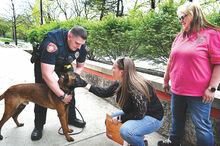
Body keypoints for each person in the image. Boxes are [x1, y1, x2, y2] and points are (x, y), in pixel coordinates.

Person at [158, 2, 220, 146]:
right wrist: (166, 79)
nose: (180, 21)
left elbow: (218, 63)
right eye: (179, 18)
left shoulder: (211, 34)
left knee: (202, 127)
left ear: (193, 15)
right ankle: (174, 142)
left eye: (183, 17)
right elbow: (171, 60)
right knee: (177, 119)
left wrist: (212, 88)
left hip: (199, 93)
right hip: (177, 89)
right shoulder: (180, 36)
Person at [75, 57, 164, 146]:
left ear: (122, 72)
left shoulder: (135, 87)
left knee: (125, 131)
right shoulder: (120, 83)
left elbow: (139, 113)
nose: (111, 69)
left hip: (153, 117)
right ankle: (138, 139)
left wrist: (120, 118)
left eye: (114, 68)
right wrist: (84, 84)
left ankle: (138, 142)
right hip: (137, 113)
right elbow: (104, 92)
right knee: (109, 121)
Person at [31, 26, 87, 141]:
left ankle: (71, 118)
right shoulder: (52, 42)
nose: (79, 47)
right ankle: (39, 125)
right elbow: (47, 74)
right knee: (42, 92)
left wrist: (71, 81)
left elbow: (80, 66)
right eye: (77, 43)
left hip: (64, 63)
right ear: (69, 36)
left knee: (71, 89)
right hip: (45, 64)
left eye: (81, 44)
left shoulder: (81, 45)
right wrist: (61, 95)